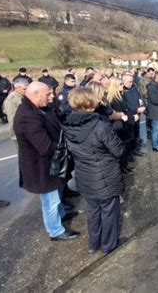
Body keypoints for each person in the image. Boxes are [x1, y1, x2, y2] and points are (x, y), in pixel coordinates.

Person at [14, 82, 80, 240]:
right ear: (35, 94)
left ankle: (61, 214)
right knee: (50, 201)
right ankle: (55, 231)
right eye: (47, 94)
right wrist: (69, 150)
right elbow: (45, 147)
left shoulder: (39, 108)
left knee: (56, 194)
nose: (51, 97)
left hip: (51, 164)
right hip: (41, 167)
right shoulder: (27, 116)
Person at [64, 88, 126, 255]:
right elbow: (118, 150)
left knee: (93, 211)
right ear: (90, 103)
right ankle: (108, 245)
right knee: (109, 211)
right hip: (105, 175)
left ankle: (93, 243)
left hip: (84, 174)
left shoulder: (67, 124)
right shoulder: (100, 125)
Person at [107, 77, 135, 173]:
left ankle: (124, 165)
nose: (122, 86)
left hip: (125, 124)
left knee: (125, 147)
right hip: (119, 126)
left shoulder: (121, 96)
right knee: (121, 147)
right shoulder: (112, 100)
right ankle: (121, 167)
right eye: (120, 84)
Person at [122, 74, 146, 156]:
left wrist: (142, 104)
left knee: (136, 132)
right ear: (124, 81)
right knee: (130, 134)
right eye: (130, 82)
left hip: (137, 114)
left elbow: (140, 97)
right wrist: (136, 109)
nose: (131, 83)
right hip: (129, 115)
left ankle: (136, 148)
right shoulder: (122, 91)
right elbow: (125, 105)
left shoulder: (134, 88)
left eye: (132, 81)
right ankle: (131, 152)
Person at [4, 78, 29, 145]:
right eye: (24, 89)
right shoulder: (11, 101)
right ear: (17, 88)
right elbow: (13, 120)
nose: (26, 90)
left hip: (28, 130)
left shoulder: (24, 96)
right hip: (20, 135)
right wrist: (16, 136)